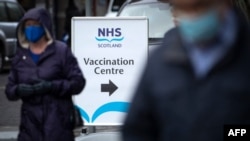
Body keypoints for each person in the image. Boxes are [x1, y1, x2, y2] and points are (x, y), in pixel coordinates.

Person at [122, 0, 250, 141]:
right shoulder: (160, 60)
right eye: (182, 8)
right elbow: (137, 130)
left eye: (199, 7)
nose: (191, 16)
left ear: (224, 4)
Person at [5, 8, 85, 141]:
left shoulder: (61, 51)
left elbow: (78, 83)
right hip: (30, 128)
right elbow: (9, 90)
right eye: (27, 25)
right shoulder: (21, 55)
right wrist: (19, 90)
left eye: (34, 25)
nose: (31, 29)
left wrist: (52, 86)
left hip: (58, 125)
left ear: (44, 26)